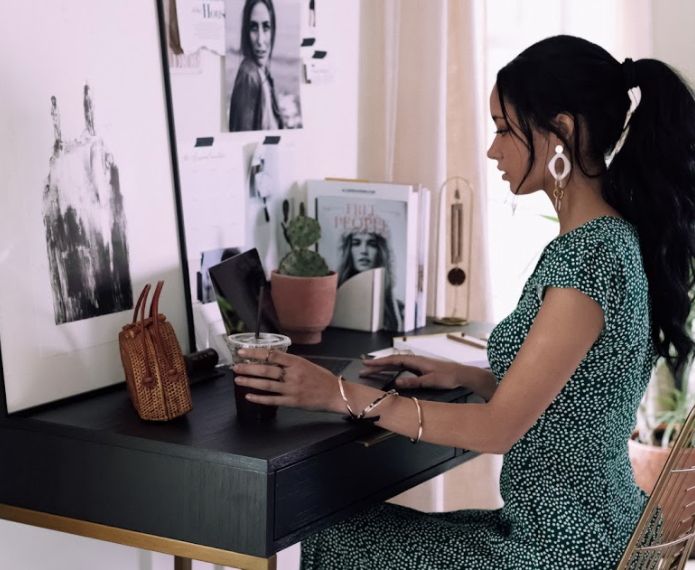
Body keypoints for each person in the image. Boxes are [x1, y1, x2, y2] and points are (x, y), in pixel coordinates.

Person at [231, 35, 695, 569]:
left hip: (560, 553)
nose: (493, 149)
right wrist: (469, 377)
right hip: (591, 533)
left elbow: (499, 430)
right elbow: (583, 395)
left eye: (503, 128)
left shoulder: (588, 257)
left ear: (560, 132)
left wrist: (338, 393)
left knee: (334, 534)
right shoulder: (612, 240)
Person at [228, 0, 283, 132]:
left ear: (273, 30)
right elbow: (242, 140)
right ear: (246, 32)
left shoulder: (264, 73)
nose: (260, 40)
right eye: (253, 27)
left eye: (266, 27)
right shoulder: (249, 76)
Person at [337, 229, 405, 331]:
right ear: (348, 249)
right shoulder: (332, 300)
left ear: (380, 251)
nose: (364, 251)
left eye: (372, 244)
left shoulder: (399, 310)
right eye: (356, 243)